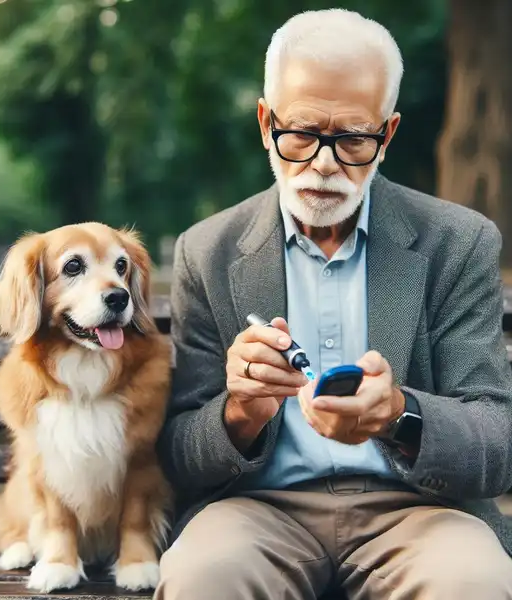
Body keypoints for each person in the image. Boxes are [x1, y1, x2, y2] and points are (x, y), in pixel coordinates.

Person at [155, 8, 512, 600]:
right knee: (202, 578)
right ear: (266, 121)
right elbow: (180, 457)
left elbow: (497, 442)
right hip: (255, 510)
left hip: (418, 512)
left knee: (473, 582)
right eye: (301, 134)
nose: (323, 165)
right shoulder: (208, 251)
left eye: (352, 138)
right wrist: (241, 412)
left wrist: (400, 415)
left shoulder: (459, 242)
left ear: (387, 133)